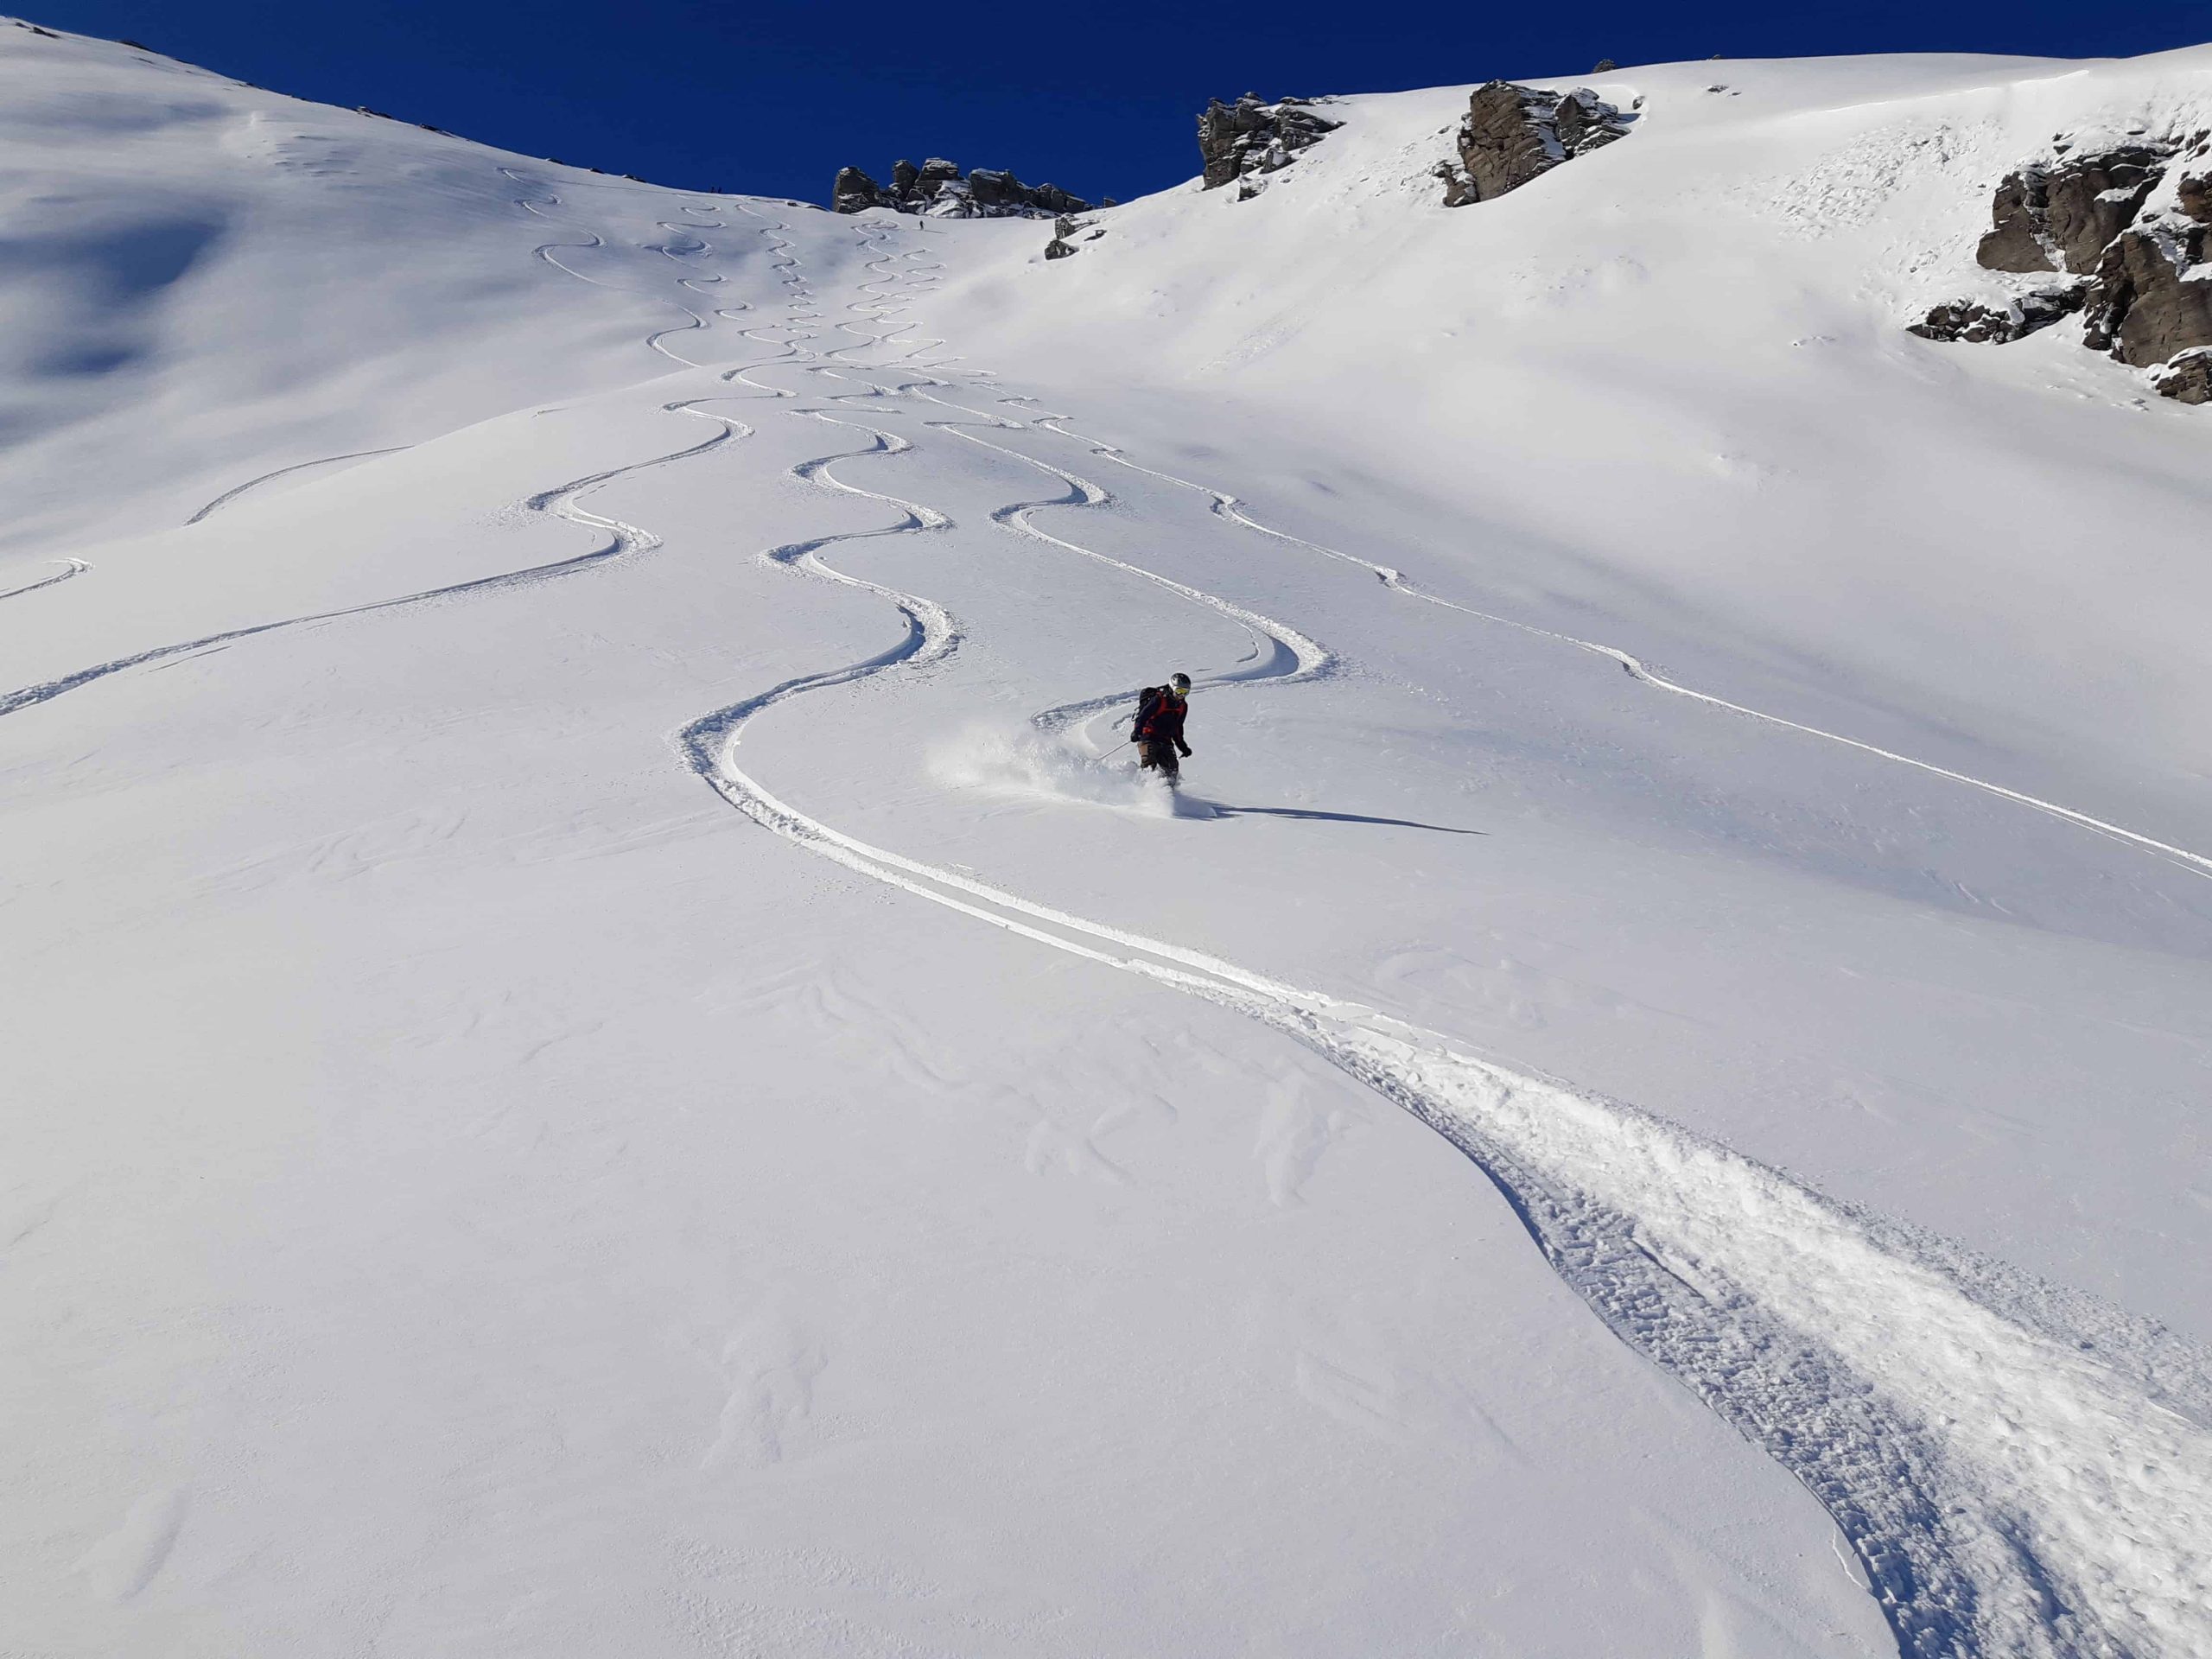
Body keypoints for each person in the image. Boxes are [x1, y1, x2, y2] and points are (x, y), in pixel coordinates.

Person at [1134, 672, 1193, 781]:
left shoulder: (1183, 706)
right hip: (1149, 736)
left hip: (1165, 740)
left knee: (1172, 768)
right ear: (1172, 688)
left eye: (1185, 692)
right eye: (1179, 691)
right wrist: (1137, 732)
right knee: (1149, 763)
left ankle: (1168, 792)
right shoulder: (1159, 699)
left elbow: (1178, 727)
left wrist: (1183, 747)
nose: (1181, 695)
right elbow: (1143, 716)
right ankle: (1142, 789)